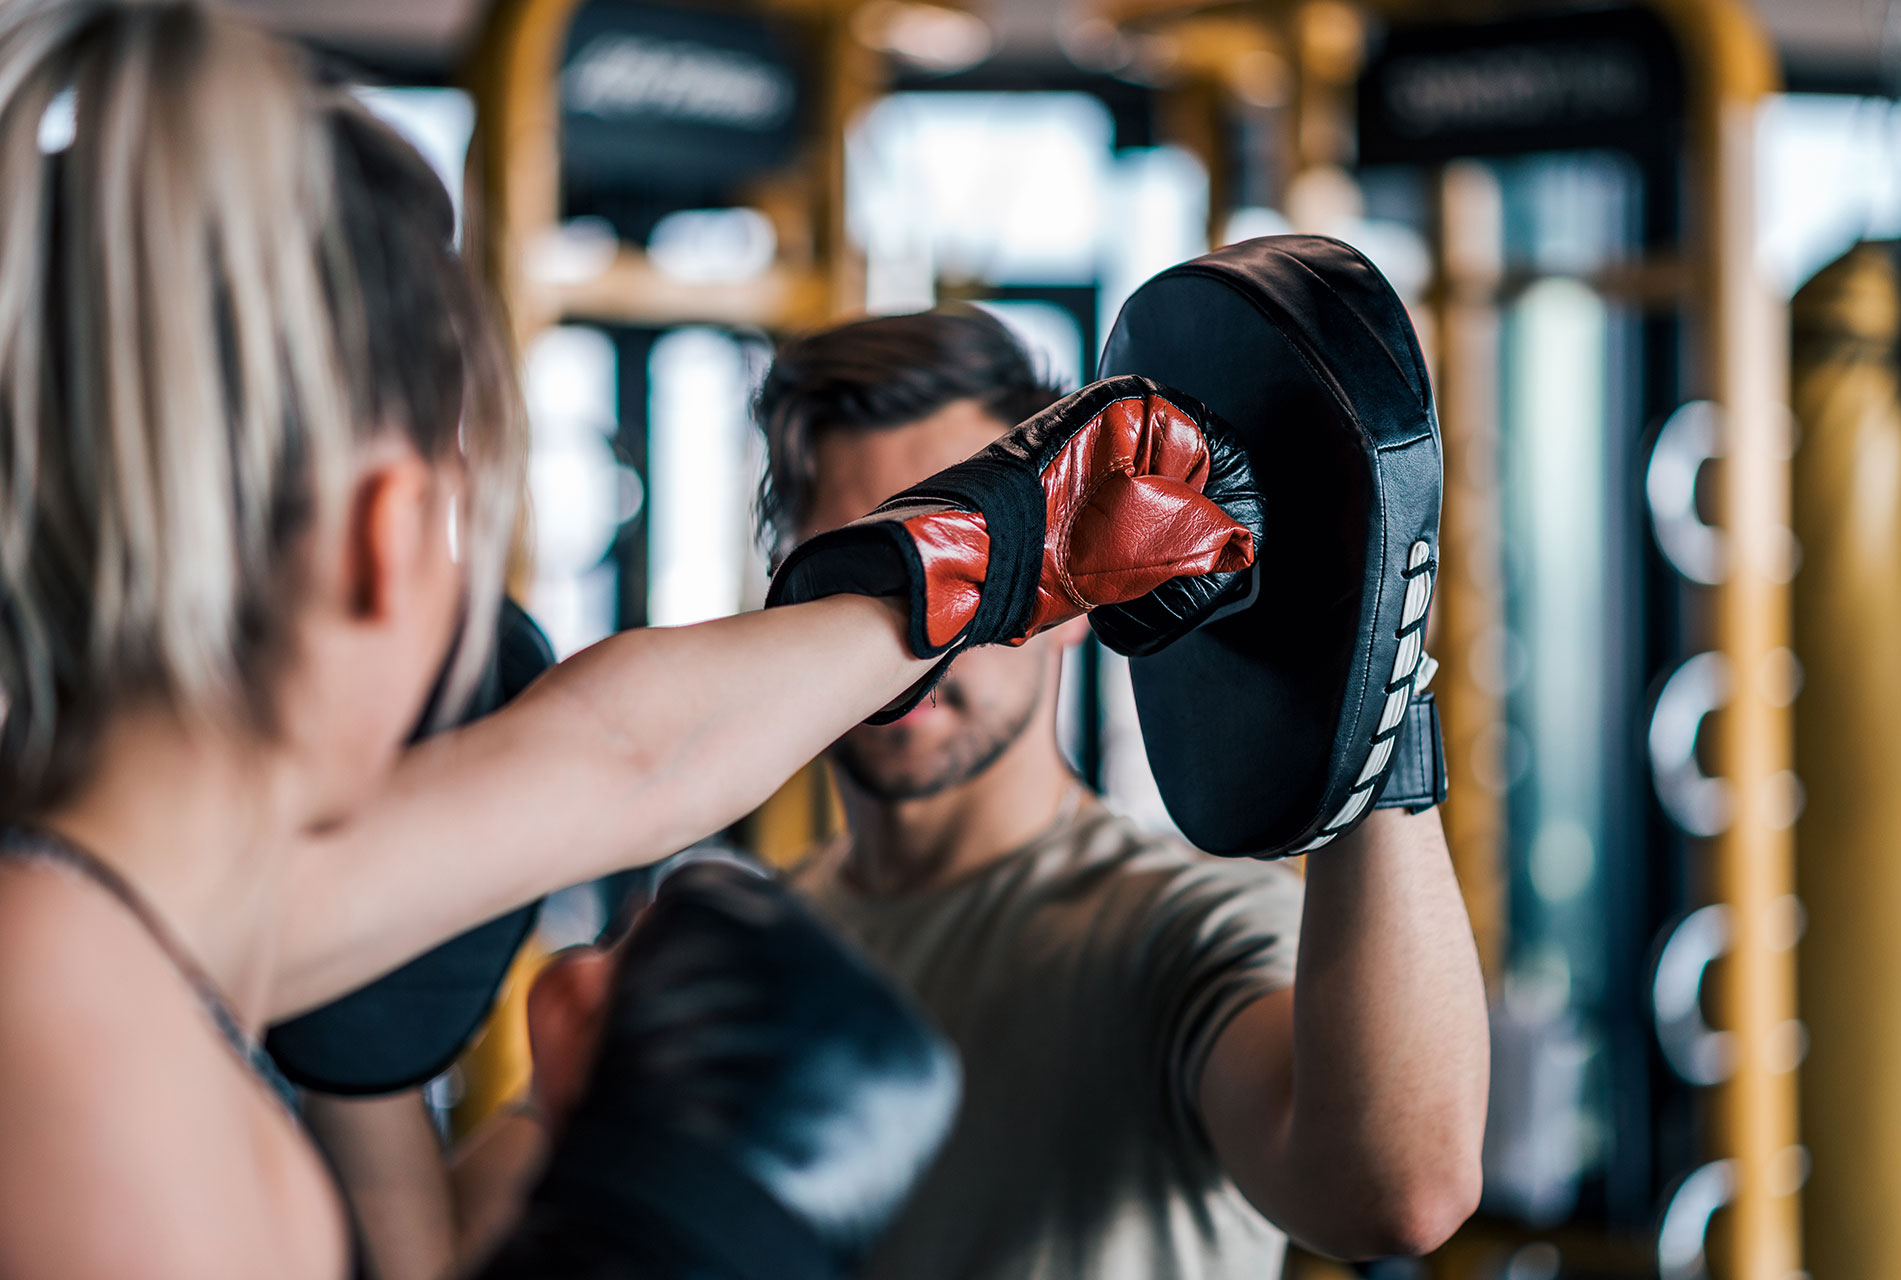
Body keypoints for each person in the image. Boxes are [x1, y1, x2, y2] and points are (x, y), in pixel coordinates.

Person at [0, 7, 1254, 1278]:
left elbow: (625, 757)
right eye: (455, 522)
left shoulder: (119, 927)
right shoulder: (77, 1055)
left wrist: (999, 555)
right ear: (385, 534)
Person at [755, 307, 1491, 1276]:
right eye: (874, 571)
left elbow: (1397, 1193)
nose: (921, 637)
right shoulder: (737, 943)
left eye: (974, 566)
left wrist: (1372, 685)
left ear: (1076, 584)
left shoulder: (1184, 927)